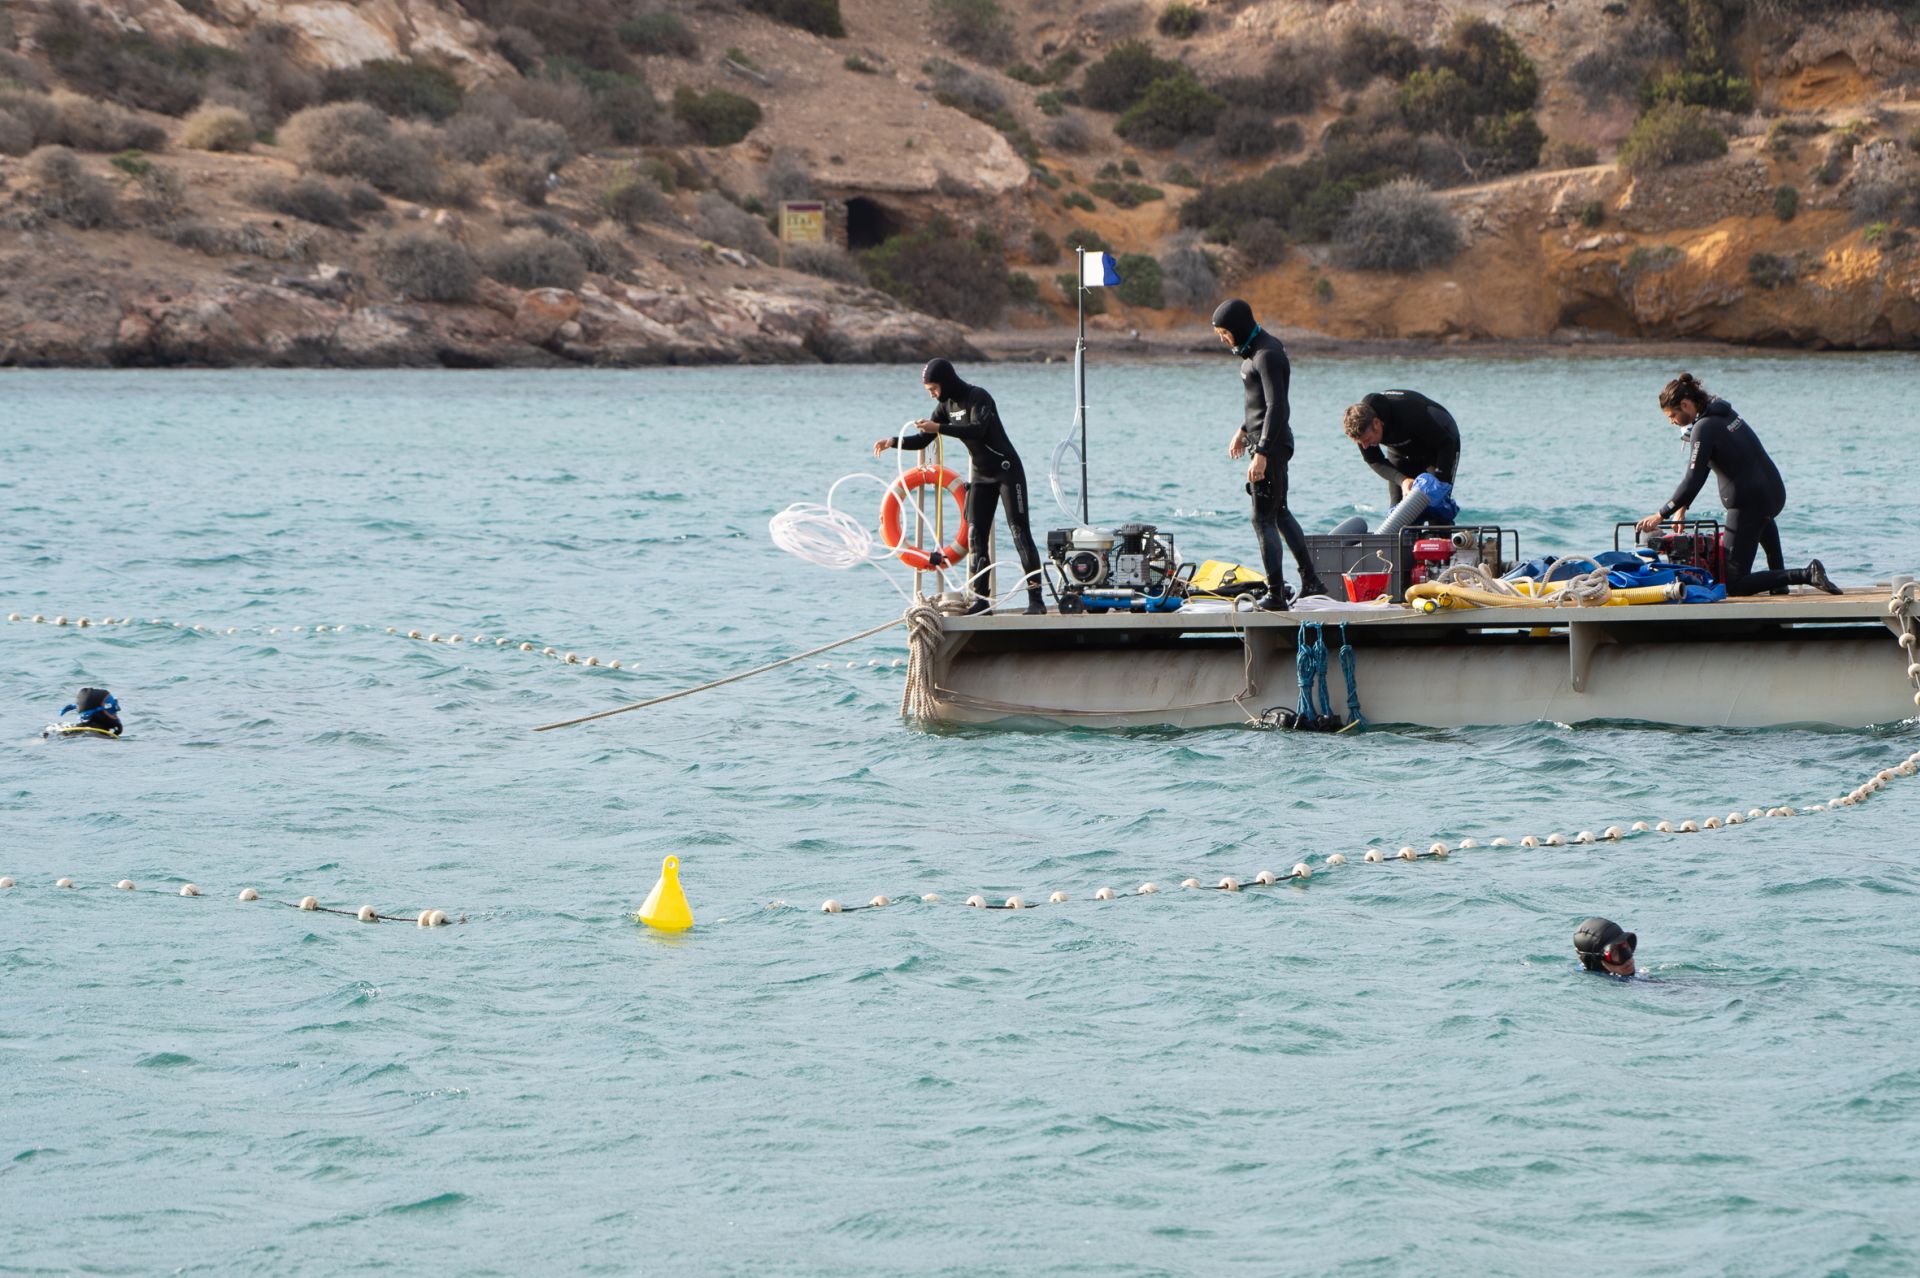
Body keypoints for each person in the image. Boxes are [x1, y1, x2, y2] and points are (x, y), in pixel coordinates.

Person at [1634, 373, 1841, 597]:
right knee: (1760, 520)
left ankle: (1807, 574)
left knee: (1733, 583)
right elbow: (1702, 469)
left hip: (1749, 502)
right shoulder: (1723, 413)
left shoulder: (1703, 428)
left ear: (1685, 405)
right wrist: (1682, 508)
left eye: (1672, 415)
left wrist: (1661, 514)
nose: (1671, 421)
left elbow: (1692, 479)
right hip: (1771, 493)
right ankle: (1778, 583)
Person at [874, 358, 1046, 615]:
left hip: (1007, 471)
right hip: (981, 476)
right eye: (929, 391)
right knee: (976, 536)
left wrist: (940, 428)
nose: (932, 395)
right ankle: (981, 601)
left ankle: (1036, 600)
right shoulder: (945, 407)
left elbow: (977, 430)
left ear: (945, 381)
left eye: (933, 389)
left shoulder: (978, 396)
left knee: (1019, 533)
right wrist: (892, 441)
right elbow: (923, 440)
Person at [1210, 298, 1327, 609]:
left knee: (1262, 520)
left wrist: (1261, 452)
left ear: (1238, 327)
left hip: (1271, 445)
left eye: (1224, 332)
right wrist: (1243, 430)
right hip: (1264, 440)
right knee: (1280, 513)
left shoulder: (1267, 354)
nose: (1222, 339)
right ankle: (1312, 580)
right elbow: (1259, 405)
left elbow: (1278, 407)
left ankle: (1276, 594)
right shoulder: (1254, 350)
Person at [1341, 390, 1461, 519]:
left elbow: (1445, 443)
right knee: (1398, 513)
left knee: (1433, 503)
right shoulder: (1361, 427)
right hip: (1400, 452)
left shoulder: (1409, 413)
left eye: (1366, 440)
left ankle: (1440, 534)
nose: (1365, 446)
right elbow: (1374, 460)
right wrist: (1403, 480)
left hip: (1440, 444)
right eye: (1360, 442)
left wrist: (1439, 482)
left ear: (1376, 423)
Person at [49, 686, 122, 738]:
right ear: (98, 713)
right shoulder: (100, 739)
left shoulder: (65, 732)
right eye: (111, 707)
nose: (118, 710)